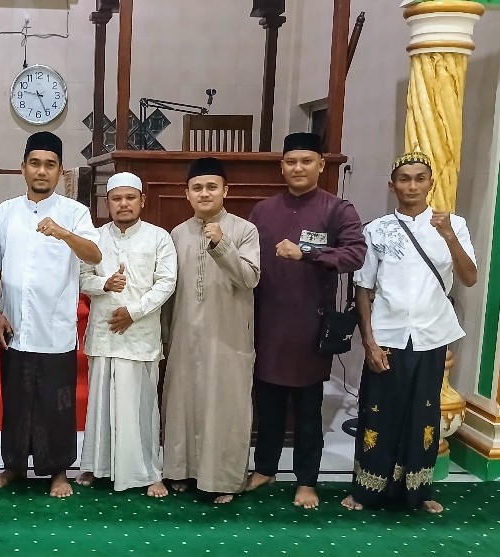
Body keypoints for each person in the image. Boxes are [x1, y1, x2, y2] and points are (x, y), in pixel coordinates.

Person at [342, 148, 476, 514]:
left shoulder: (454, 225)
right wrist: (369, 342)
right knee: (378, 412)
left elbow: (469, 277)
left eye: (420, 179)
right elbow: (363, 288)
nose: (412, 186)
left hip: (431, 335)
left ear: (431, 184)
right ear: (392, 185)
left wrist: (448, 236)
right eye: (404, 179)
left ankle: (418, 491)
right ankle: (367, 490)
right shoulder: (377, 230)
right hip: (388, 335)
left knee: (423, 414)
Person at [246, 132, 367, 509]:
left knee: (308, 410)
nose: (298, 168)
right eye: (291, 162)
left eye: (306, 161)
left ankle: (306, 480)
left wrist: (309, 254)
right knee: (267, 405)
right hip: (267, 324)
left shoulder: (338, 209)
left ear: (320, 165)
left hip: (310, 329)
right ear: (282, 167)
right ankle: (265, 468)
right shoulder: (263, 210)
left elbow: (355, 255)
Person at [0, 131, 102, 498]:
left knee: (57, 403)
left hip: (55, 329)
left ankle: (58, 472)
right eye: (34, 163)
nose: (41, 170)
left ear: (60, 171)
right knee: (15, 401)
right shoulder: (5, 212)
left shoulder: (74, 213)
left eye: (50, 165)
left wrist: (64, 233)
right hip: (14, 326)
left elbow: (95, 254)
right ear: (23, 168)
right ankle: (13, 467)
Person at [161, 157, 260, 504]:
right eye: (197, 188)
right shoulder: (177, 234)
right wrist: (165, 338)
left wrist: (221, 244)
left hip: (228, 337)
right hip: (185, 336)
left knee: (225, 407)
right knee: (183, 403)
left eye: (211, 187)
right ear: (187, 194)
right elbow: (169, 291)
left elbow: (249, 278)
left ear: (225, 191)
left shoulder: (244, 231)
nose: (205, 193)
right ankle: (181, 471)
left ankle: (225, 480)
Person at [76, 172, 176, 497]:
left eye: (130, 198)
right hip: (104, 333)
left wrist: (134, 312)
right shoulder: (94, 238)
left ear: (142, 200)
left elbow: (167, 282)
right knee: (100, 405)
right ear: (107, 203)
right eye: (116, 198)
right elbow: (81, 277)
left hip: (140, 335)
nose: (123, 204)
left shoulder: (159, 237)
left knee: (141, 407)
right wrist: (103, 284)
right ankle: (97, 465)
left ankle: (149, 471)